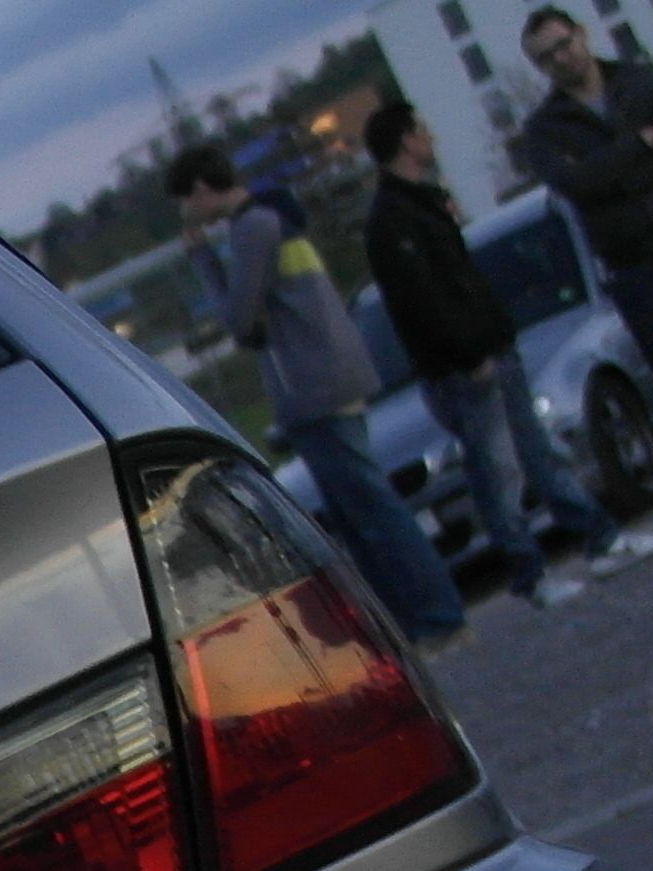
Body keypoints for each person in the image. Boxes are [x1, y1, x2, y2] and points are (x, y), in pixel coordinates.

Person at [177, 146, 468, 645]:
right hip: (334, 377)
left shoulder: (252, 228)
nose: (185, 213)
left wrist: (203, 260)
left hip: (311, 386)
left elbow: (239, 319)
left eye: (184, 201)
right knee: (363, 513)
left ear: (201, 189)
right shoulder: (276, 215)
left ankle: (436, 616)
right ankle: (413, 622)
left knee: (372, 512)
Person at [363, 96, 647, 605]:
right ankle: (531, 573)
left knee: (538, 456)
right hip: (467, 367)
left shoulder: (422, 205)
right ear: (406, 140)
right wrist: (468, 354)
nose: (430, 138)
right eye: (422, 129)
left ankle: (599, 539)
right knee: (499, 473)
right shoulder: (395, 222)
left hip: (493, 351)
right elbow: (422, 299)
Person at [515, 6, 653, 367]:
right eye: (546, 57)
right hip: (634, 267)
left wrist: (603, 170)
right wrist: (640, 144)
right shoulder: (544, 131)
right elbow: (575, 184)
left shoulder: (641, 82)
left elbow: (591, 178)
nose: (560, 59)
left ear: (580, 33)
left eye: (563, 45)